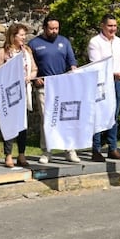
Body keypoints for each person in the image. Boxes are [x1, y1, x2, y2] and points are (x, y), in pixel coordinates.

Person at [28, 16, 79, 164]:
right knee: (46, 119)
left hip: (63, 86)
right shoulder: (34, 44)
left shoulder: (64, 42)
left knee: (66, 118)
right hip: (43, 87)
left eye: (56, 28)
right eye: (51, 29)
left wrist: (73, 70)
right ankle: (47, 151)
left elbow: (72, 62)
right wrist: (35, 79)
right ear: (44, 28)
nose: (54, 31)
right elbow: (29, 66)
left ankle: (69, 150)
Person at [0, 22, 37, 168]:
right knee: (9, 124)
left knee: (23, 124)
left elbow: (34, 69)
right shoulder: (3, 53)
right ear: (13, 36)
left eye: (25, 35)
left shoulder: (27, 52)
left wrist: (29, 77)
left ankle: (22, 154)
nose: (24, 38)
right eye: (21, 35)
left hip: (23, 92)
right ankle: (8, 155)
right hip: (9, 94)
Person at [87, 13, 120, 162]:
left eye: (115, 26)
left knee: (113, 116)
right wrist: (112, 74)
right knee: (98, 115)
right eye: (110, 26)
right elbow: (96, 65)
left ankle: (112, 148)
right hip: (101, 84)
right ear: (102, 26)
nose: (113, 29)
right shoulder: (95, 42)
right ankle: (96, 150)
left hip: (117, 84)